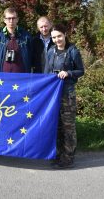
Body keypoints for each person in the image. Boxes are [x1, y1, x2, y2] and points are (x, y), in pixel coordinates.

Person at [44, 24, 84, 169]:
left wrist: (69, 73)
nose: (57, 40)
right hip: (54, 94)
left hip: (67, 94)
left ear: (65, 34)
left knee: (68, 127)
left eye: (59, 36)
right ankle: (59, 155)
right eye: (54, 37)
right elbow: (47, 71)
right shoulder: (51, 51)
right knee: (58, 126)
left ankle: (68, 158)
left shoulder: (73, 51)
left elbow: (81, 70)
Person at [0, 7, 32, 73]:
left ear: (17, 19)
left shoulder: (26, 36)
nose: (11, 21)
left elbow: (32, 56)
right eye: (8, 18)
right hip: (3, 78)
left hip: (22, 76)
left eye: (13, 18)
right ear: (4, 20)